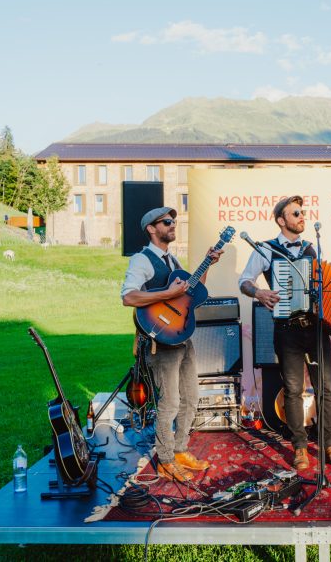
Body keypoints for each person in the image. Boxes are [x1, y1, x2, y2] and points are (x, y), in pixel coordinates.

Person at [239, 195, 331, 471]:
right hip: (286, 330)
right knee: (292, 390)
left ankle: (330, 445)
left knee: (325, 389)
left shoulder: (311, 248)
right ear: (281, 220)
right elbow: (244, 281)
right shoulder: (265, 250)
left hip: (315, 330)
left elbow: (325, 289)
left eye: (302, 212)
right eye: (295, 213)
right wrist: (258, 292)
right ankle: (300, 447)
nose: (302, 217)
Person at [121, 206, 223, 482]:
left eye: (173, 221)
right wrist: (167, 292)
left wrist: (206, 265)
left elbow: (191, 294)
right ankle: (165, 460)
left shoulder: (173, 261)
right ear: (152, 229)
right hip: (160, 341)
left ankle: (179, 451)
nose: (172, 225)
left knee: (191, 399)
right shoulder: (141, 261)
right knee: (170, 404)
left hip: (182, 338)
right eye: (166, 222)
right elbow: (129, 297)